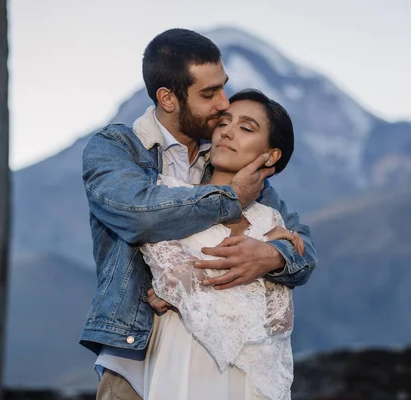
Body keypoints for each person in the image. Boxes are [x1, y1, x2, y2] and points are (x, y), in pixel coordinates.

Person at [80, 28, 317, 400]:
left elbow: (302, 250)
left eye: (223, 86)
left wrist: (271, 255)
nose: (224, 104)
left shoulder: (228, 162)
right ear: (168, 99)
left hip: (221, 364)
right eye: (209, 94)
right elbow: (140, 215)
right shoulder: (118, 148)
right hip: (137, 355)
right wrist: (230, 197)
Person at [142, 89, 300, 400]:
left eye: (246, 127)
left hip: (249, 376)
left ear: (271, 155)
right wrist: (258, 253)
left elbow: (279, 321)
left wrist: (192, 288)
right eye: (224, 122)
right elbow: (171, 283)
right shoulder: (169, 195)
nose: (227, 131)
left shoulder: (271, 220)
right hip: (183, 357)